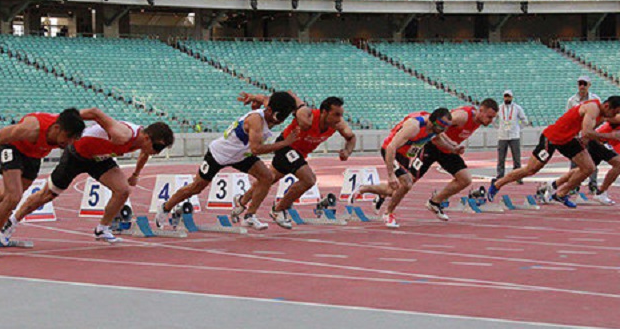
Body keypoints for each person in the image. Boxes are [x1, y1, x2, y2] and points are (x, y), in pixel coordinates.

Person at [3, 118, 174, 245]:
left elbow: (145, 154)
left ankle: (102, 229)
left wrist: (136, 174)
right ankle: (13, 220)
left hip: (99, 159)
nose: (157, 153)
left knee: (123, 190)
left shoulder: (143, 143)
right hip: (76, 154)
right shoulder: (124, 134)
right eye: (157, 148)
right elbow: (96, 114)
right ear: (147, 138)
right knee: (48, 194)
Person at [155, 91, 298, 231]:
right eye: (277, 117)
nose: (278, 121)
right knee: (196, 187)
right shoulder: (256, 120)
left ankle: (249, 215)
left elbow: (265, 98)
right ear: (270, 110)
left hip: (241, 155)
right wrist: (285, 143)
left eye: (283, 118)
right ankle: (165, 207)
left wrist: (253, 97)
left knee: (267, 177)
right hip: (219, 154)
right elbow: (256, 149)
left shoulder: (271, 107)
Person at [0, 108, 86, 258]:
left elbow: (90, 113)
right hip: (13, 147)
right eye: (67, 137)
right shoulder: (30, 129)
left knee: (7, 195)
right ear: (56, 128)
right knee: (14, 197)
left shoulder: (65, 130)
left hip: (34, 155)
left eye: (72, 139)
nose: (68, 143)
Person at [234, 95, 357, 229]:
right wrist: (254, 97)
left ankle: (241, 201)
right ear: (324, 112)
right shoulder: (308, 115)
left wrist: (347, 151)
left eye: (341, 115)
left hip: (299, 154)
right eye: (336, 115)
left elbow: (351, 137)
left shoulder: (338, 124)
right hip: (286, 146)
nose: (339, 119)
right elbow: (283, 102)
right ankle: (278, 209)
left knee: (269, 178)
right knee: (309, 179)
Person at [487, 96, 620, 207]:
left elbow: (586, 134)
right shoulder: (593, 108)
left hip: (568, 139)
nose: (614, 116)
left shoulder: (602, 115)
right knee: (531, 170)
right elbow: (587, 132)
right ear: (607, 106)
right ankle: (498, 184)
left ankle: (561, 194)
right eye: (614, 112)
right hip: (552, 137)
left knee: (588, 168)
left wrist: (585, 142)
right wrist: (611, 136)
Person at [359, 108, 453, 228]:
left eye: (447, 127)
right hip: (392, 151)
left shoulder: (436, 128)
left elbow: (438, 138)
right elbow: (391, 147)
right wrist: (391, 175)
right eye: (442, 126)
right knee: (407, 183)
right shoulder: (414, 126)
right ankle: (388, 213)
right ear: (432, 121)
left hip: (405, 155)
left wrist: (452, 148)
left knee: (393, 190)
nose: (443, 130)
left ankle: (364, 189)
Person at [420, 100, 499, 220]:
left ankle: (434, 202)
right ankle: (383, 199)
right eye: (489, 117)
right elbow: (437, 127)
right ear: (481, 110)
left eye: (493, 118)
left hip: (448, 151)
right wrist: (452, 144)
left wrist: (452, 147)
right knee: (408, 181)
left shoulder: (478, 120)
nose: (490, 121)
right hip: (431, 147)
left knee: (465, 179)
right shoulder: (462, 116)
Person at [544, 119, 620, 206]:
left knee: (584, 170)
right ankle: (601, 192)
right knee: (618, 164)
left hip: (601, 143)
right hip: (599, 141)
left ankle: (554, 184)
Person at [567, 75, 601, 193]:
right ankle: (574, 185)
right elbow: (568, 117)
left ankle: (593, 183)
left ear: (589, 85)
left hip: (590, 132)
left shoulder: (595, 99)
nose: (582, 86)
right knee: (575, 160)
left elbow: (599, 117)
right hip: (576, 134)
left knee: (593, 158)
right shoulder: (572, 100)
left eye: (584, 84)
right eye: (580, 83)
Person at [496, 90, 529, 181]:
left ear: (512, 97)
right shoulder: (499, 108)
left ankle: (518, 176)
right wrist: (498, 128)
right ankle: (500, 176)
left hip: (514, 136)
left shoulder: (517, 108)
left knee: (516, 158)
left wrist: (518, 128)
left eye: (508, 96)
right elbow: (493, 119)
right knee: (501, 158)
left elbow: (524, 120)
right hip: (502, 136)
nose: (507, 98)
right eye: (505, 96)